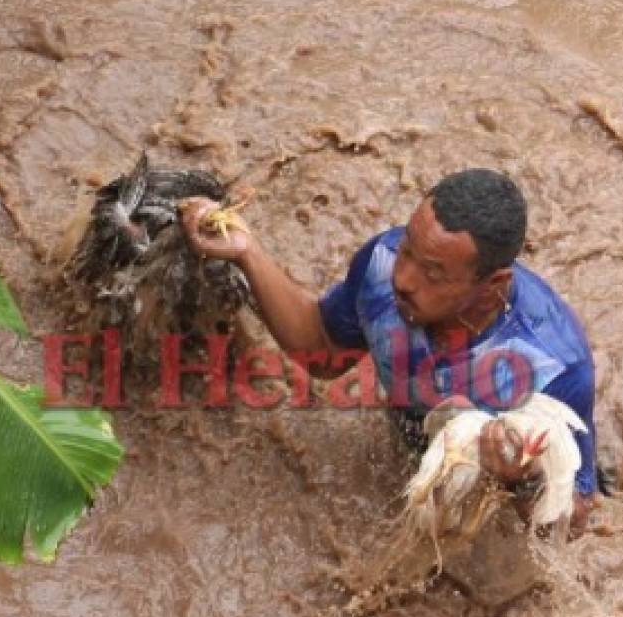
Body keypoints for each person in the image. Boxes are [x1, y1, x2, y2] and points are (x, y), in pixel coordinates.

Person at [180, 168, 599, 536]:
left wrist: (519, 478)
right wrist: (246, 252)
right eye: (409, 250)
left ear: (491, 288)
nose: (404, 279)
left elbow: (573, 522)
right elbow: (321, 350)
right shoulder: (380, 263)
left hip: (490, 508)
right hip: (410, 440)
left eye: (433, 272)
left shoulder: (552, 367)